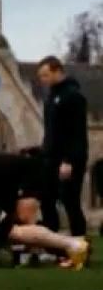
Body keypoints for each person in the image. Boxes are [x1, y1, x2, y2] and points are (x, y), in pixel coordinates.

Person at [37, 56, 90, 243]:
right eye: (41, 76)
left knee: (70, 201)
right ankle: (52, 242)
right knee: (47, 199)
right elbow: (52, 130)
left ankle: (79, 244)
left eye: (46, 75)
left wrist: (68, 161)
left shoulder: (73, 96)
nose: (43, 79)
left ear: (57, 71)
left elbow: (75, 132)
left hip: (69, 159)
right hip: (51, 157)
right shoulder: (51, 97)